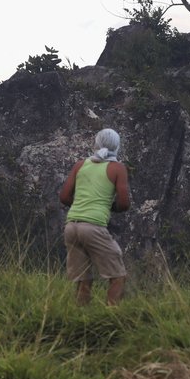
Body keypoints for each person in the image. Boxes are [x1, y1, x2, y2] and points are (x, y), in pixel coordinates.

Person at [58, 128, 131, 306]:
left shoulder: (80, 165)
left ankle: (80, 318)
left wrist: (81, 206)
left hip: (71, 226)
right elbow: (124, 203)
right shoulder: (117, 168)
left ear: (96, 144)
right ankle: (111, 319)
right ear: (117, 146)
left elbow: (64, 197)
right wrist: (108, 207)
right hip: (93, 227)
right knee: (118, 276)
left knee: (83, 279)